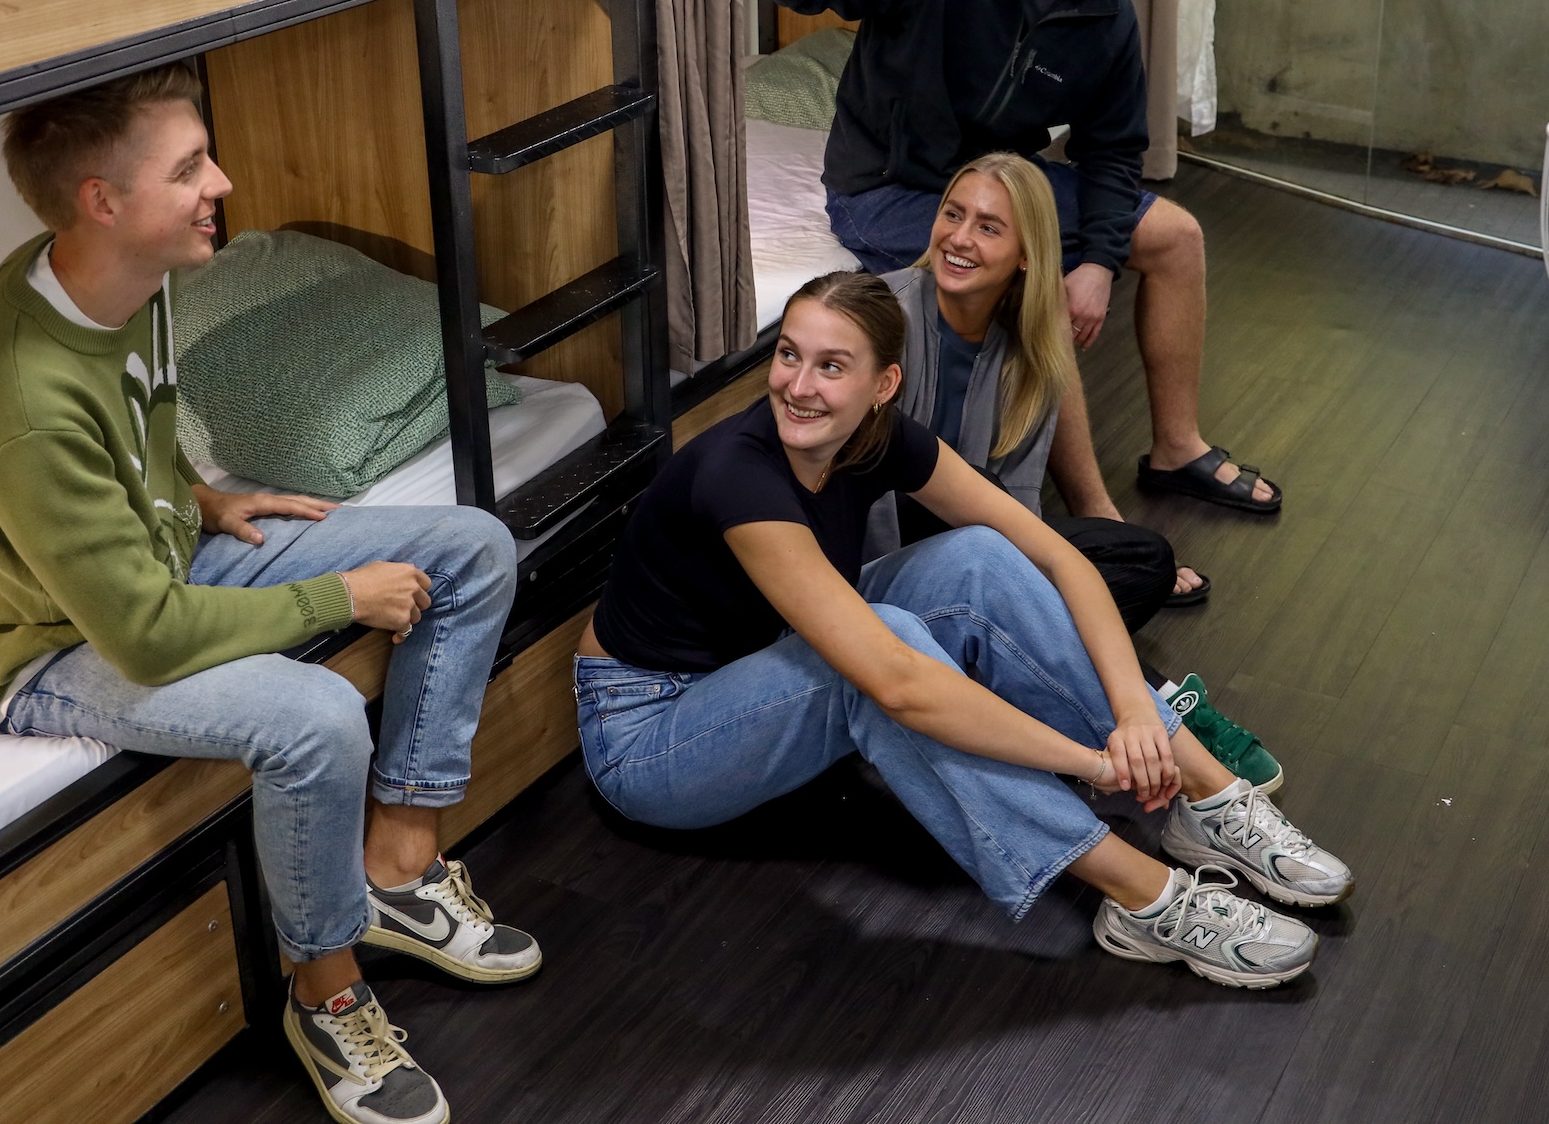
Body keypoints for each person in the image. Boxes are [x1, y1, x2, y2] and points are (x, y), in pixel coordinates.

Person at [0, 65, 536, 1124]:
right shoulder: (17, 388)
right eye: (190, 167)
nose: (225, 178)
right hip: (50, 645)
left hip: (156, 558)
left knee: (475, 545)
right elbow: (148, 639)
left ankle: (395, 863)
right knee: (317, 716)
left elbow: (136, 429)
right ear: (101, 201)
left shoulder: (122, 277)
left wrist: (198, 498)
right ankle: (325, 989)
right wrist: (339, 592)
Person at [573, 272, 1352, 989]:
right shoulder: (736, 475)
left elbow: (1055, 558)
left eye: (831, 366)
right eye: (787, 356)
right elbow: (901, 686)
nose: (798, 387)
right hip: (652, 733)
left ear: (885, 385)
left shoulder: (878, 437)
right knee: (882, 658)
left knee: (979, 558)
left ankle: (1204, 794)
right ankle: (1144, 900)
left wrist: (1140, 714)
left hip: (761, 659)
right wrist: (1088, 762)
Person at [745, 0, 1283, 520]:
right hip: (886, 189)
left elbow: (1114, 152)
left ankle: (1176, 449)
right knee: (1039, 288)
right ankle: (1097, 521)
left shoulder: (1107, 20)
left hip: (998, 186)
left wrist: (1100, 258)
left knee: (1176, 238)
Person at [875, 151, 1284, 792]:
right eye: (953, 214)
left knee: (1140, 559)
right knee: (1014, 579)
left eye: (988, 227)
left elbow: (1018, 514)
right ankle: (1163, 711)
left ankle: (1037, 684)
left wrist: (1027, 593)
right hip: (880, 580)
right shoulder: (885, 319)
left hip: (981, 556)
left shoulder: (1028, 348)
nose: (958, 237)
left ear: (1027, 254)